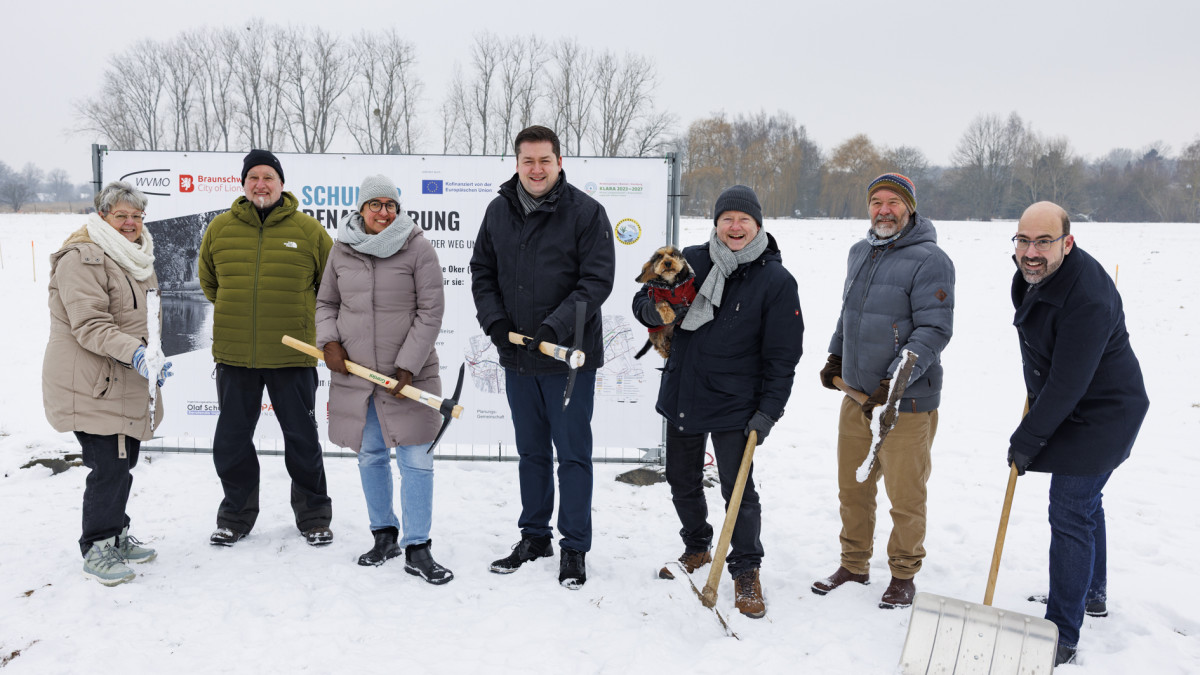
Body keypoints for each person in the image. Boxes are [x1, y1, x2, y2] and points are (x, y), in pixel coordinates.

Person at [633, 185, 803, 618]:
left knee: (738, 489)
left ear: (758, 225)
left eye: (743, 219)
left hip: (737, 402)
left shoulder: (776, 281)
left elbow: (784, 355)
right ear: (715, 224)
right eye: (727, 218)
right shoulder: (690, 258)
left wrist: (769, 411)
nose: (735, 226)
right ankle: (696, 546)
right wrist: (650, 312)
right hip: (685, 389)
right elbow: (644, 293)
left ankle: (746, 569)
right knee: (681, 478)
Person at [470, 125, 615, 589]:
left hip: (567, 358)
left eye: (544, 161)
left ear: (559, 162)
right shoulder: (498, 211)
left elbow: (596, 281)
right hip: (517, 357)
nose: (536, 169)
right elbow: (482, 271)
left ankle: (574, 547)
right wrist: (495, 323)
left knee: (572, 455)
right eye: (527, 161)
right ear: (516, 163)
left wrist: (554, 326)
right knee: (531, 453)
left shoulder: (587, 213)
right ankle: (535, 536)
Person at [1006, 201, 1148, 666]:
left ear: (1068, 242)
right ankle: (1092, 593)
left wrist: (1028, 438)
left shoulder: (1087, 297)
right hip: (1074, 403)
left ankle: (1062, 632)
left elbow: (1070, 382)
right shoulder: (1034, 274)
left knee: (1069, 509)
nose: (1031, 251)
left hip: (1106, 412)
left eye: (1044, 241)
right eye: (1024, 240)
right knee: (1085, 506)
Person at [812, 173, 955, 609]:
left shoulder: (931, 259)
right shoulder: (860, 253)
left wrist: (891, 382)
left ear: (910, 208)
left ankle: (903, 573)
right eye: (876, 201)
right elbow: (848, 314)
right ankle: (854, 564)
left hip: (906, 403)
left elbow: (934, 329)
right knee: (852, 489)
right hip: (855, 397)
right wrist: (837, 357)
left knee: (905, 496)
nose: (884, 209)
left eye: (894, 201)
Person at [316, 174, 454, 584]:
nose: (384, 212)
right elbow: (326, 302)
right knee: (371, 455)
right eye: (375, 204)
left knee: (416, 460)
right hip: (358, 377)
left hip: (408, 377)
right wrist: (329, 343)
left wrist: (408, 364)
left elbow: (431, 311)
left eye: (390, 205)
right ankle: (384, 535)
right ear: (360, 208)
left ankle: (418, 547)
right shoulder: (341, 251)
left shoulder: (418, 248)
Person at [198, 149, 334, 547]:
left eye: (268, 177)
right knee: (232, 442)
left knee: (303, 440)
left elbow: (330, 287)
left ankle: (313, 516)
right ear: (243, 184)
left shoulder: (309, 231)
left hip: (292, 355)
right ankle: (235, 517)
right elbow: (210, 283)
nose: (261, 183)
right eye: (253, 176)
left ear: (281, 183)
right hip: (235, 356)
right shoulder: (220, 229)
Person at [43, 181, 172, 585]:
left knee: (124, 461)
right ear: (103, 216)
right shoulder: (82, 258)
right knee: (109, 466)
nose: (130, 223)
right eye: (121, 215)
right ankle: (97, 545)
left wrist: (150, 356)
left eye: (136, 216)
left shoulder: (136, 257)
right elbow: (90, 324)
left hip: (126, 378)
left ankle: (115, 532)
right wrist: (137, 353)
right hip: (93, 381)